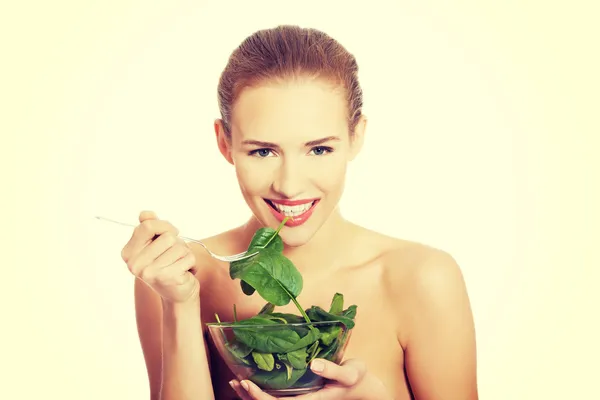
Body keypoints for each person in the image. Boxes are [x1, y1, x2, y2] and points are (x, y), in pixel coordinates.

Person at [120, 25, 478, 400]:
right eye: (263, 151)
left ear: (356, 136)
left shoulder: (422, 279)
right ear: (225, 143)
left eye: (319, 149)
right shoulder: (173, 275)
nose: (290, 186)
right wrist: (179, 306)